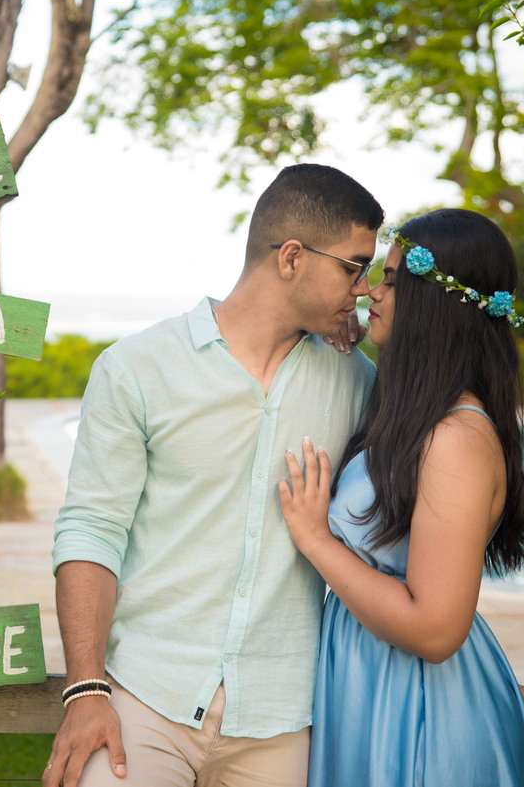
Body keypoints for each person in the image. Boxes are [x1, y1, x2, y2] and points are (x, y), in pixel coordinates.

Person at [45, 163, 384, 786]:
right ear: (291, 258)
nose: (363, 288)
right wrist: (86, 689)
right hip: (144, 699)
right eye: (353, 266)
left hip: (282, 717)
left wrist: (466, 669)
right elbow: (92, 531)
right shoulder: (137, 368)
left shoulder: (359, 383)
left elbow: (413, 529)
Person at [278, 207, 524, 786]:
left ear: (437, 303)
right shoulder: (418, 417)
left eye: (392, 281)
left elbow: (435, 629)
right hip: (371, 683)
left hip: (417, 711)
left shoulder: (456, 440)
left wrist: (317, 541)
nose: (371, 290)